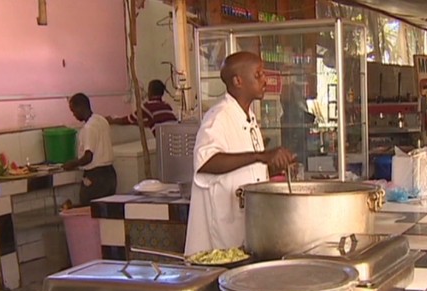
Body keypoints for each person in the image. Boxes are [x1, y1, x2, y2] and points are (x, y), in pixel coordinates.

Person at [185, 51, 295, 255]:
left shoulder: (249, 117)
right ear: (238, 81)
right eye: (258, 75)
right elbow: (205, 162)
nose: (265, 80)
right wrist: (261, 156)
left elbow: (247, 169)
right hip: (222, 236)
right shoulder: (219, 117)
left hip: (246, 226)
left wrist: (272, 166)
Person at [63, 93, 117, 206]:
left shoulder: (88, 128)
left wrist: (72, 164)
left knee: (89, 209)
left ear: (81, 107)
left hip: (95, 177)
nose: (74, 115)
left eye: (73, 111)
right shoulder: (101, 120)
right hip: (110, 175)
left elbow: (88, 157)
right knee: (106, 211)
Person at [106, 79, 178, 136]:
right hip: (174, 138)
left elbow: (127, 120)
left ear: (150, 91)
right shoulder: (166, 106)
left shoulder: (147, 107)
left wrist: (111, 120)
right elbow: (155, 120)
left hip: (164, 140)